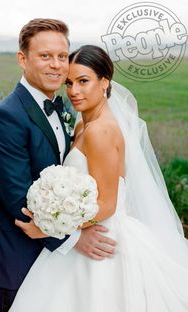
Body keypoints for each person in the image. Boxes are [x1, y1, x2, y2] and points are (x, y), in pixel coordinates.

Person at [10, 45, 188, 312]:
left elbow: (107, 204)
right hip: (88, 228)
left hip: (103, 237)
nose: (74, 91)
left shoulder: (100, 131)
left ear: (104, 82)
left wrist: (51, 227)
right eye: (69, 83)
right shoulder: (84, 124)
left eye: (84, 81)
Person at [0, 22, 116, 311]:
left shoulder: (61, 108)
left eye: (62, 56)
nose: (56, 66)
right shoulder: (6, 118)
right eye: (45, 56)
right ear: (22, 59)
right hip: (18, 256)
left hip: (53, 258)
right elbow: (18, 200)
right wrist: (74, 237)